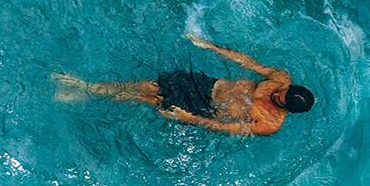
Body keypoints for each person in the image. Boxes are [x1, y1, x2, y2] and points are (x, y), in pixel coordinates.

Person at [54, 33, 315, 136]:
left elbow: (225, 127)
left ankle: (87, 92)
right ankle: (88, 87)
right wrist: (210, 46)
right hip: (209, 85)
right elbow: (247, 62)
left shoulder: (269, 124)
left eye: (279, 97)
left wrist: (188, 117)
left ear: (286, 108)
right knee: (150, 85)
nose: (277, 92)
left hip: (204, 108)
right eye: (282, 90)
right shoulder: (280, 79)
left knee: (150, 98)